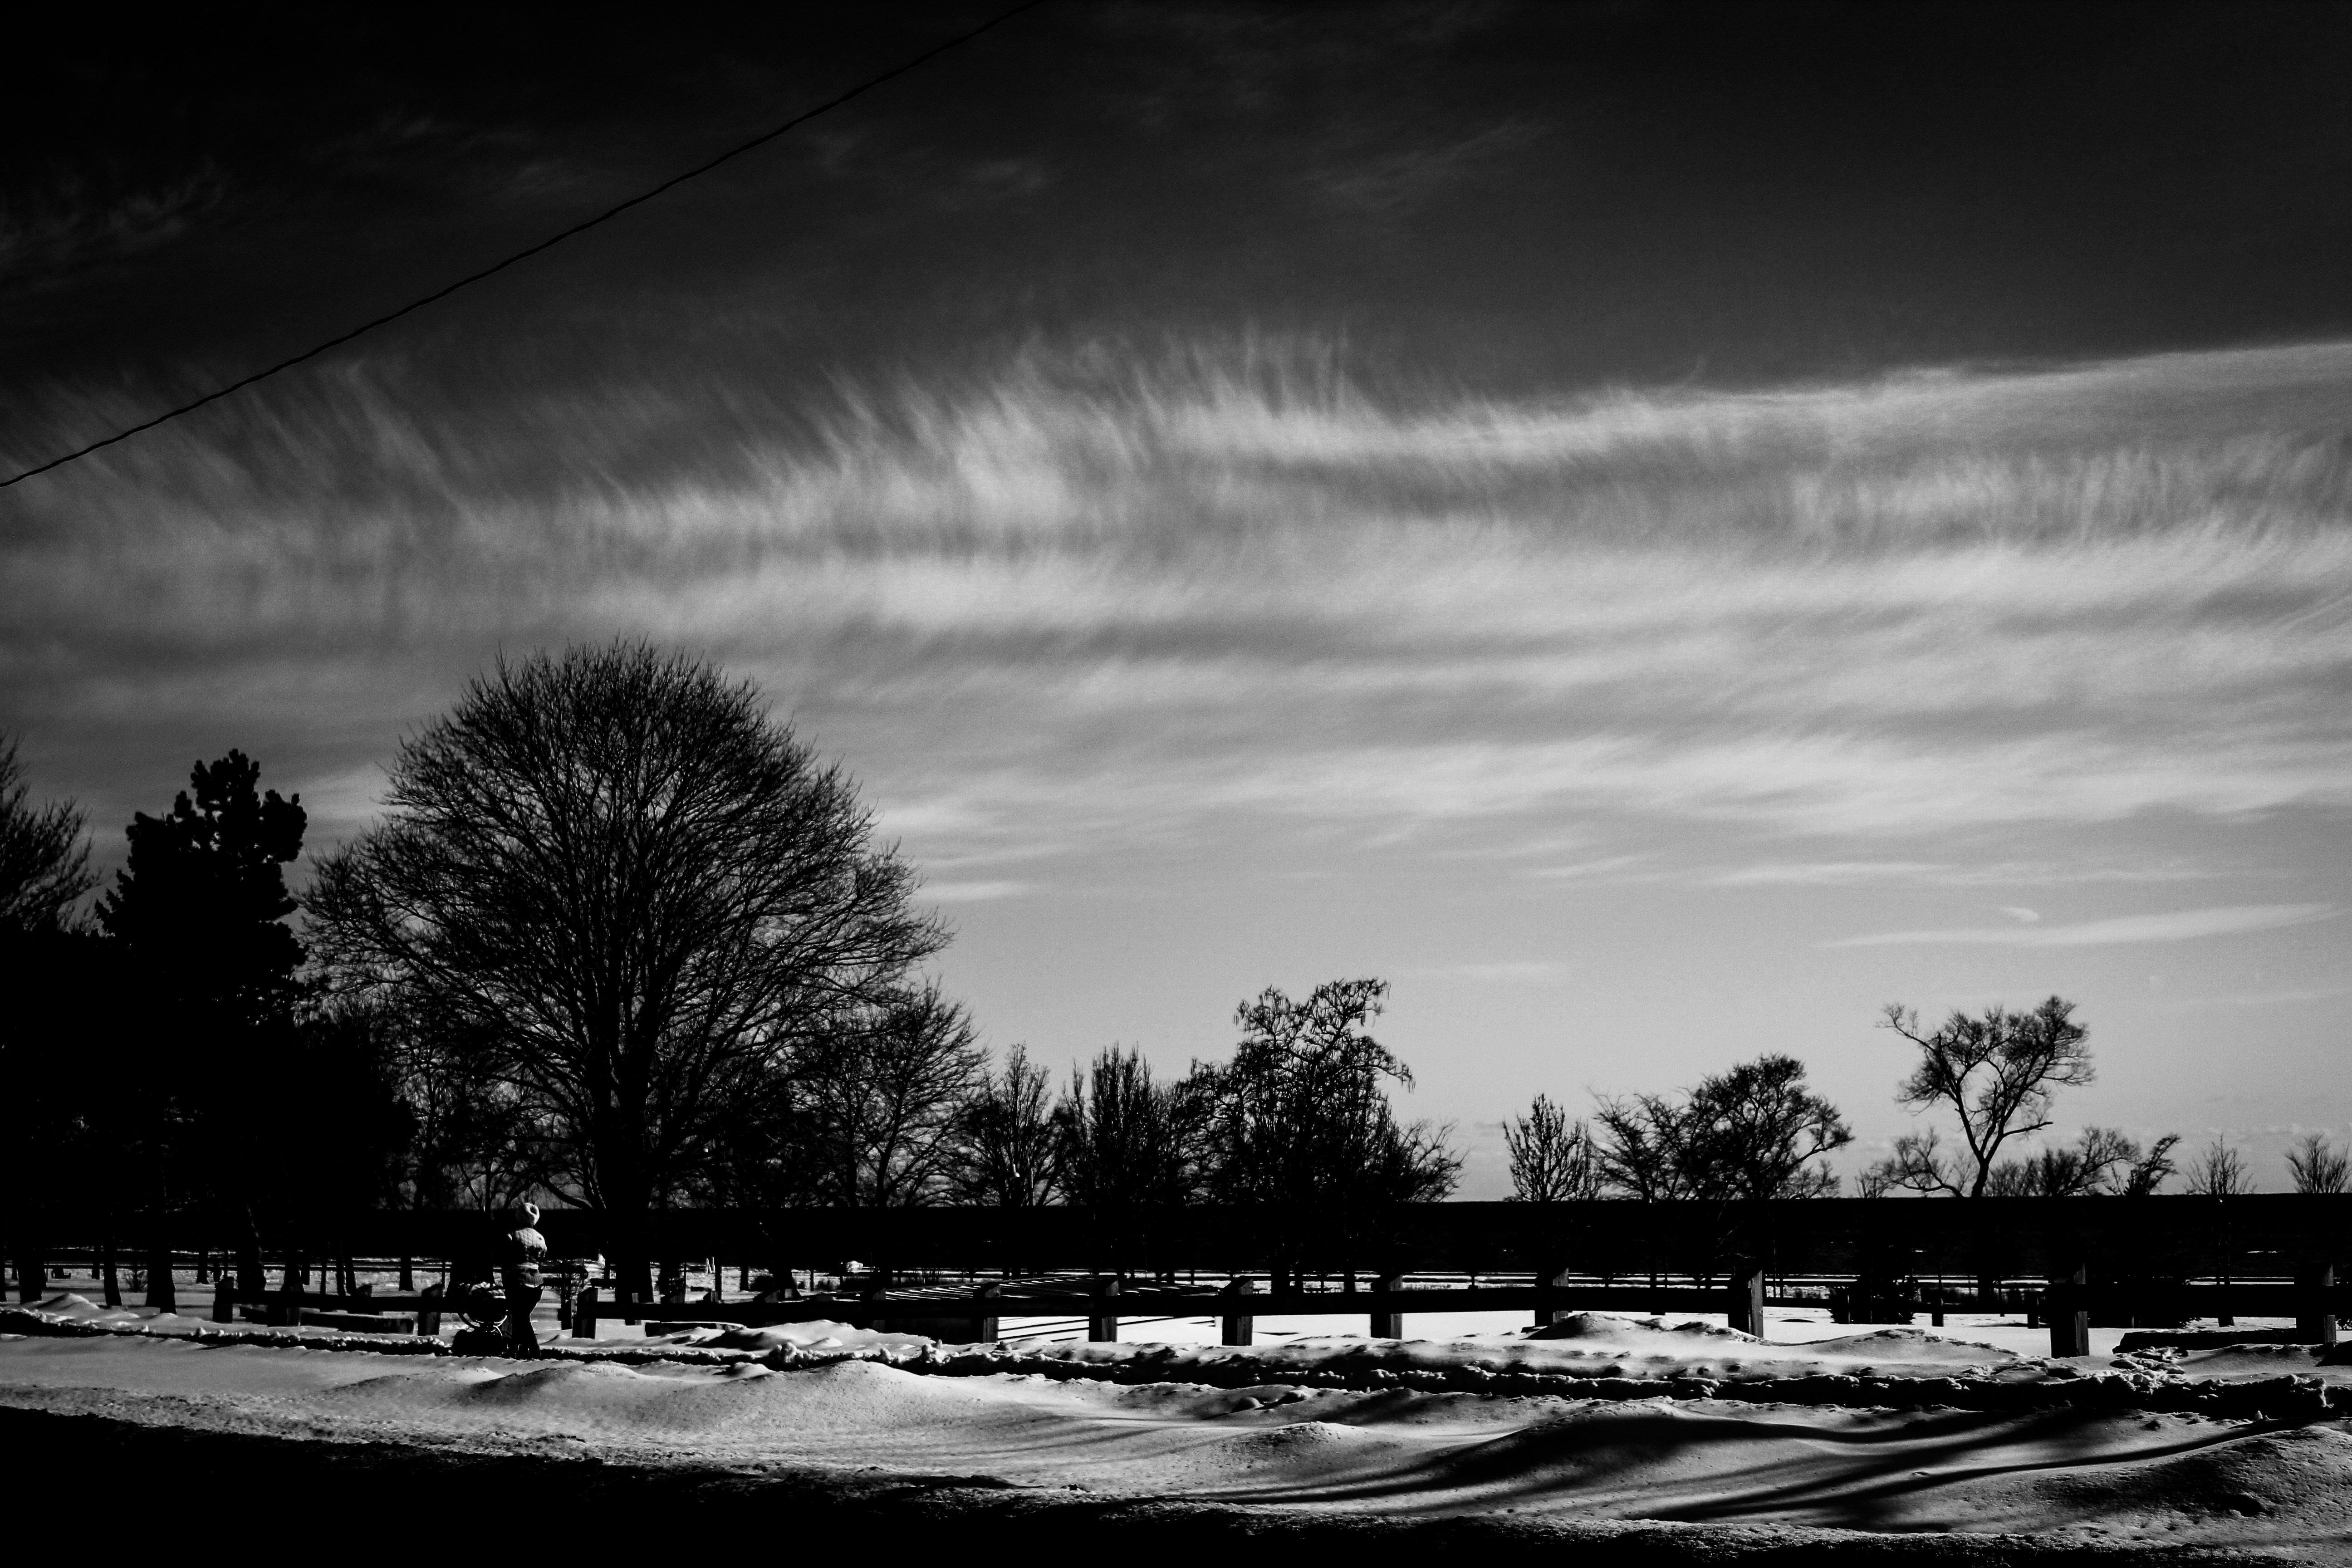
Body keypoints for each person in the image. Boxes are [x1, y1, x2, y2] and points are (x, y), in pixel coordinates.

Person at [497, 1202, 548, 1357]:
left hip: (518, 1280)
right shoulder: (541, 1238)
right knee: (521, 1317)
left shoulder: (512, 1234)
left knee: (521, 1318)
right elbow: (542, 1258)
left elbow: (504, 1256)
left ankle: (535, 1351)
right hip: (538, 1282)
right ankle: (514, 1349)